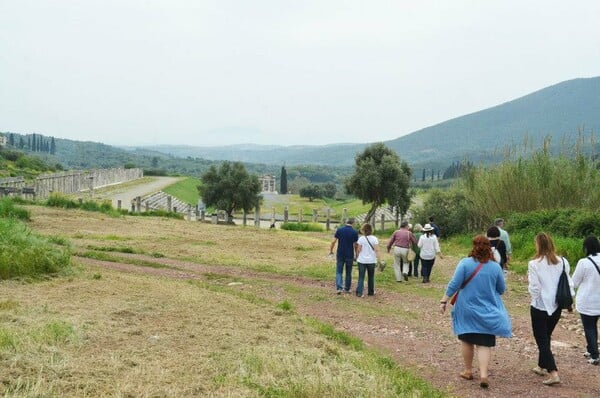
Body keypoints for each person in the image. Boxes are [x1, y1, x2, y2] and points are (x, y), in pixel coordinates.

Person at [439, 235, 511, 389]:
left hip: (467, 309)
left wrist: (444, 300)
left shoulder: (465, 263)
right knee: (484, 343)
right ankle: (484, 375)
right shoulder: (495, 267)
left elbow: (454, 284)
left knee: (467, 340)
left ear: (473, 247)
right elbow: (501, 289)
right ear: (489, 248)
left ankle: (468, 371)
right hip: (488, 310)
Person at [528, 232, 574, 386]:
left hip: (540, 305)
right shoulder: (563, 262)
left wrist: (535, 298)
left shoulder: (534, 264)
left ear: (538, 245)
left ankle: (553, 372)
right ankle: (541, 365)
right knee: (546, 336)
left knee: (541, 339)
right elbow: (569, 282)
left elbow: (535, 287)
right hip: (557, 305)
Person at [571, 235, 600, 366]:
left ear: (586, 247)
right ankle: (590, 349)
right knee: (593, 326)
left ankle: (595, 355)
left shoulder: (583, 263)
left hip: (587, 301)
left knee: (589, 327)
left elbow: (575, 282)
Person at [329, 218, 359, 294]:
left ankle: (339, 288)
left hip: (340, 254)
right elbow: (355, 245)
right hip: (349, 255)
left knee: (339, 271)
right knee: (348, 272)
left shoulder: (339, 230)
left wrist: (331, 251)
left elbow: (333, 241)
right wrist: (356, 255)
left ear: (346, 222)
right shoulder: (354, 232)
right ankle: (347, 289)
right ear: (353, 223)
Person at [355, 223, 380, 297]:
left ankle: (359, 292)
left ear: (363, 230)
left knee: (361, 277)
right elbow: (377, 250)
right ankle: (371, 292)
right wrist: (379, 259)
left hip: (362, 260)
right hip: (371, 261)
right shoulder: (374, 239)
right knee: (371, 276)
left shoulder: (361, 239)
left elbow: (358, 249)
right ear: (371, 230)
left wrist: (357, 257)